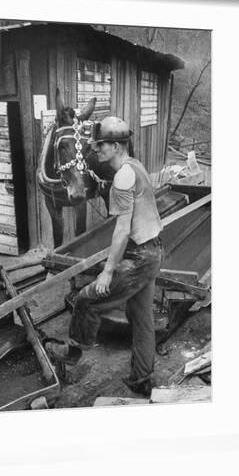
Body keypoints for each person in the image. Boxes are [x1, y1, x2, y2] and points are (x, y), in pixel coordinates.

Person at [46, 116, 163, 397]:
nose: (95, 150)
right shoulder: (134, 165)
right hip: (153, 251)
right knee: (142, 318)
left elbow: (122, 230)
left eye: (101, 145)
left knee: (86, 300)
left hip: (138, 257)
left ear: (117, 146)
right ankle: (141, 379)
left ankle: (72, 352)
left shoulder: (123, 176)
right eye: (95, 145)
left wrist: (108, 270)